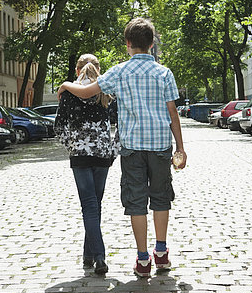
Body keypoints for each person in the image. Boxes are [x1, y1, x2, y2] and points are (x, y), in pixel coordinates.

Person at [57, 18, 187, 278]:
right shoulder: (164, 73)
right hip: (161, 145)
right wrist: (180, 148)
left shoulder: (119, 72)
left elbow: (86, 92)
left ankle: (142, 259)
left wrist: (65, 85)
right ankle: (160, 252)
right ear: (151, 44)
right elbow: (173, 112)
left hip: (132, 148)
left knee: (136, 201)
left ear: (128, 44)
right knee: (161, 197)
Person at [55, 54, 119, 275]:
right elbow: (123, 124)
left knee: (89, 206)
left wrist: (72, 146)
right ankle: (88, 255)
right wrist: (113, 150)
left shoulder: (68, 94)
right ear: (99, 69)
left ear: (76, 70)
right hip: (102, 156)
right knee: (95, 206)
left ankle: (99, 256)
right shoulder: (107, 94)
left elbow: (59, 128)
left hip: (80, 156)